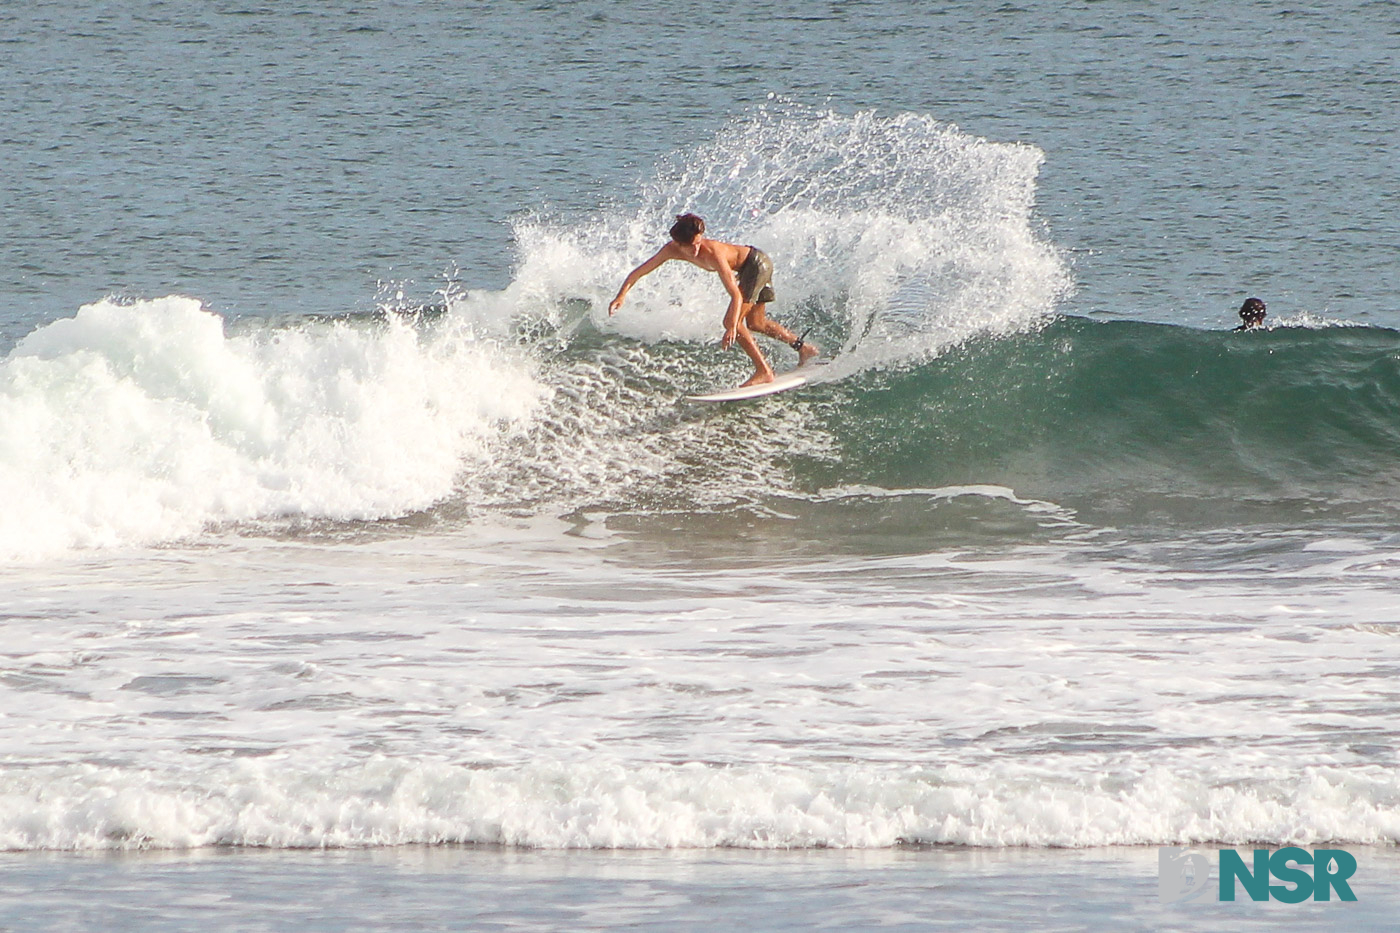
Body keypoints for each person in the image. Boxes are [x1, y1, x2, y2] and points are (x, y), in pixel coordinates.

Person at [608, 213, 818, 387]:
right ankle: (804, 349)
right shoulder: (670, 250)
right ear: (677, 243)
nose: (696, 249)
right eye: (692, 246)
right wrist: (621, 295)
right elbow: (641, 271)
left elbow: (735, 294)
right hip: (752, 267)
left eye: (699, 242)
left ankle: (764, 371)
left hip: (756, 265)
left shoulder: (714, 253)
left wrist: (731, 328)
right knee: (756, 323)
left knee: (732, 321)